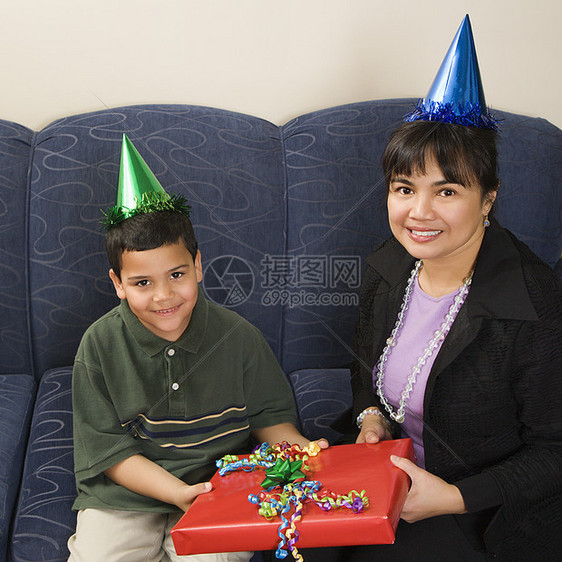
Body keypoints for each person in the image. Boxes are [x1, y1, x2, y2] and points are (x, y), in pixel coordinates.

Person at [303, 15, 562, 562]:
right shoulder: (388, 265)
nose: (419, 213)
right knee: (294, 548)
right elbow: (363, 367)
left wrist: (454, 496)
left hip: (478, 509)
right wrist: (369, 416)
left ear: (488, 198)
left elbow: (555, 450)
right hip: (383, 473)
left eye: (446, 191)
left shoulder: (536, 305)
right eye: (404, 188)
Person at [67, 135, 325, 561]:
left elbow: (270, 418)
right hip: (124, 495)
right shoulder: (98, 344)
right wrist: (176, 492)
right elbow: (108, 451)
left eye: (177, 275)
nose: (164, 296)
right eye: (142, 283)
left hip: (217, 486)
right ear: (117, 285)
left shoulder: (238, 336)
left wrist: (300, 451)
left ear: (199, 266)